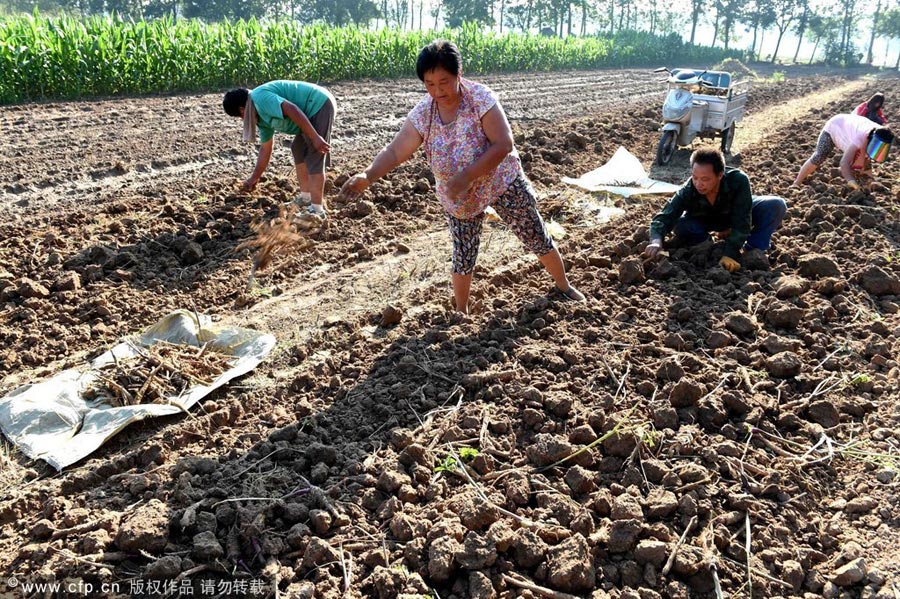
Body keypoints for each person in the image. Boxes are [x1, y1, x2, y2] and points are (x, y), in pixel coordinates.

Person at [339, 40, 583, 313]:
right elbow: (397, 150)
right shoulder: (424, 113)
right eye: (429, 84)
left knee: (533, 231)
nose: (437, 91)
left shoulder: (480, 98)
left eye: (443, 82)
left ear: (458, 74)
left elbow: (503, 144)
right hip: (458, 194)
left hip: (500, 180)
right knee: (464, 253)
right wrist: (368, 175)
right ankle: (461, 311)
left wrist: (465, 176)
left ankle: (563, 285)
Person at [644, 148, 786, 273]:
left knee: (776, 205)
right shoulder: (688, 190)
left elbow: (743, 218)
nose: (699, 184)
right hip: (706, 221)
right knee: (681, 225)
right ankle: (707, 244)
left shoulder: (738, 180)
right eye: (695, 177)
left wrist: (731, 253)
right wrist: (656, 241)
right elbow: (664, 217)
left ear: (720, 175)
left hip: (733, 214)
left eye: (705, 179)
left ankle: (753, 250)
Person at [223, 80, 336, 220]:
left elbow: (292, 109)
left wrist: (315, 137)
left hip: (318, 104)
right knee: (298, 149)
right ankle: (306, 198)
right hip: (309, 111)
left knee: (314, 153)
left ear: (241, 109)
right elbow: (266, 149)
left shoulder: (260, 98)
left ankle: (317, 210)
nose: (242, 119)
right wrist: (254, 178)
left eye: (240, 116)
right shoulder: (259, 116)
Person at [794, 113, 893, 189]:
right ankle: (797, 183)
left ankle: (866, 185)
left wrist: (872, 183)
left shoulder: (882, 133)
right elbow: (844, 162)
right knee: (820, 155)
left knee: (864, 159)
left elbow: (867, 160)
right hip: (834, 128)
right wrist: (851, 181)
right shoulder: (861, 137)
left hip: (849, 131)